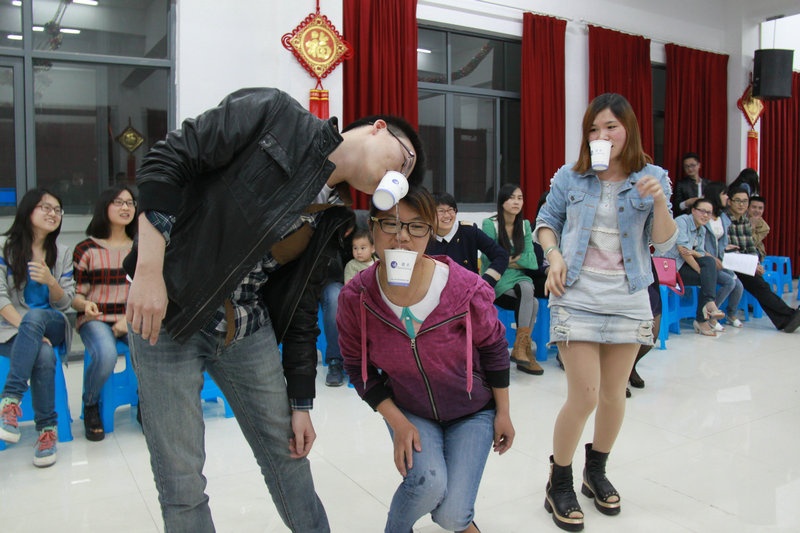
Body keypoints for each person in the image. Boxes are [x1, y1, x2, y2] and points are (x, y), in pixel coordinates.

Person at [123, 87, 426, 532]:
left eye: (405, 179)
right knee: (181, 481)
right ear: (378, 129)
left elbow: (303, 309)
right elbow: (167, 159)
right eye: (403, 162)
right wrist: (149, 270)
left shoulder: (335, 217)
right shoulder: (275, 114)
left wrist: (301, 402)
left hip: (245, 326)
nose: (398, 176)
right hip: (168, 312)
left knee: (290, 459)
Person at [535, 93, 677, 531]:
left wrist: (658, 201)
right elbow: (546, 222)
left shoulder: (653, 177)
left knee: (615, 395)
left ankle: (595, 470)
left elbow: (664, 243)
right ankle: (559, 479)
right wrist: (554, 256)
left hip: (628, 296)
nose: (602, 135)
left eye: (611, 126)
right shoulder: (571, 176)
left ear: (628, 129)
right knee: (585, 395)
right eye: (594, 129)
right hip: (576, 294)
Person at [337, 186, 514, 533]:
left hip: (472, 410)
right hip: (411, 408)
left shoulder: (464, 288)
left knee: (452, 516)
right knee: (427, 484)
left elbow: (494, 348)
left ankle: (462, 521)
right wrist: (398, 422)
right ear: (372, 229)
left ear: (430, 232)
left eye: (416, 226)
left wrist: (504, 411)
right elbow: (358, 368)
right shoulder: (356, 297)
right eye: (390, 224)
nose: (402, 237)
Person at [0, 188, 76, 467]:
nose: (53, 214)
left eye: (57, 210)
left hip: (52, 324)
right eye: (46, 207)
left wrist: (50, 281)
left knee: (35, 318)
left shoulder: (62, 253)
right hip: (10, 328)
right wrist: (29, 333)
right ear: (28, 210)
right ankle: (47, 431)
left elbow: (66, 302)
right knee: (42, 354)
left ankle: (10, 400)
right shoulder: (3, 248)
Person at [71, 186, 138, 441]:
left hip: (130, 317)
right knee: (107, 354)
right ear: (104, 207)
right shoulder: (86, 249)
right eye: (118, 202)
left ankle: (146, 403)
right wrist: (83, 305)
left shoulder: (140, 248)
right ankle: (91, 403)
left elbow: (147, 292)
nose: (125, 208)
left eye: (130, 203)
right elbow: (77, 295)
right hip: (95, 319)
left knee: (152, 350)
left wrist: (127, 320)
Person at [482, 184, 542, 375]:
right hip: (497, 278)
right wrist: (515, 259)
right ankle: (523, 351)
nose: (516, 202)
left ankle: (521, 349)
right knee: (530, 296)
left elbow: (532, 261)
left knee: (528, 291)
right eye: (511, 198)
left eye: (520, 198)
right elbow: (489, 258)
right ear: (502, 201)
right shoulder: (490, 224)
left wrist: (505, 259)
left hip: (519, 278)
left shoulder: (524, 225)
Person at [726, 188, 800, 333]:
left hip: (743, 263)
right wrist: (750, 264)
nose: (741, 205)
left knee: (760, 285)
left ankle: (786, 319)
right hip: (729, 262)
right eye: (738, 201)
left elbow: (750, 246)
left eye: (745, 201)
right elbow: (729, 249)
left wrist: (755, 263)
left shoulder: (744, 221)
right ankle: (788, 317)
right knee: (760, 285)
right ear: (729, 202)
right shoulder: (725, 220)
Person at [665, 199, 726, 336]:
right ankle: (702, 316)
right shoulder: (682, 221)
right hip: (669, 267)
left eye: (709, 213)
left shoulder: (702, 229)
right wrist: (700, 270)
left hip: (684, 266)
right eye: (702, 211)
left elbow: (700, 252)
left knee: (709, 263)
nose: (705, 215)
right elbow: (683, 251)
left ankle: (707, 306)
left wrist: (694, 252)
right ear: (693, 210)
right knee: (707, 276)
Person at [427, 191, 509, 286]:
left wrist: (486, 282)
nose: (447, 215)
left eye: (450, 210)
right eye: (441, 211)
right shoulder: (424, 236)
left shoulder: (468, 231)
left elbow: (501, 256)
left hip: (468, 291)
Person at [703, 181, 744, 329]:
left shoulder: (723, 218)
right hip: (706, 260)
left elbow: (719, 241)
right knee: (729, 282)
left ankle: (730, 314)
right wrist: (712, 258)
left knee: (738, 285)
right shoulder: (704, 217)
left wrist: (726, 247)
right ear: (716, 195)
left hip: (720, 259)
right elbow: (698, 244)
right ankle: (712, 315)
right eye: (724, 194)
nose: (727, 197)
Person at [672, 152, 710, 216]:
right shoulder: (681, 184)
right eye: (686, 166)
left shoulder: (708, 183)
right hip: (688, 216)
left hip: (706, 216)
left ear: (699, 165)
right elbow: (676, 207)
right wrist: (687, 202)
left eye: (692, 165)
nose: (689, 169)